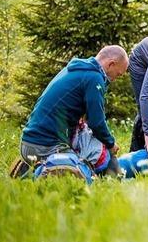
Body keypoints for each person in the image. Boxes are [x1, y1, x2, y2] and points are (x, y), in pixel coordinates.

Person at [19, 46, 129, 174]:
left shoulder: (76, 69)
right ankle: (41, 171)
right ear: (111, 64)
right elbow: (96, 122)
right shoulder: (94, 78)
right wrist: (111, 144)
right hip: (45, 146)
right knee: (87, 167)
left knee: (87, 145)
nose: (115, 79)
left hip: (28, 143)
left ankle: (33, 168)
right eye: (118, 74)